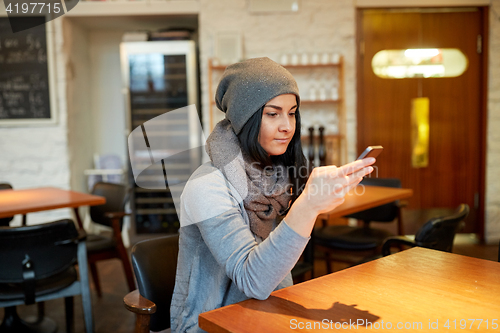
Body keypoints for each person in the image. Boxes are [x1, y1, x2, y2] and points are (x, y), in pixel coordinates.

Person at [170, 57, 375, 333]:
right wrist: (308, 207)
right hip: (209, 323)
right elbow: (251, 278)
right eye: (272, 113)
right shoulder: (207, 186)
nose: (287, 126)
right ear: (247, 119)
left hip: (267, 311)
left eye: (292, 113)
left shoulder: (274, 175)